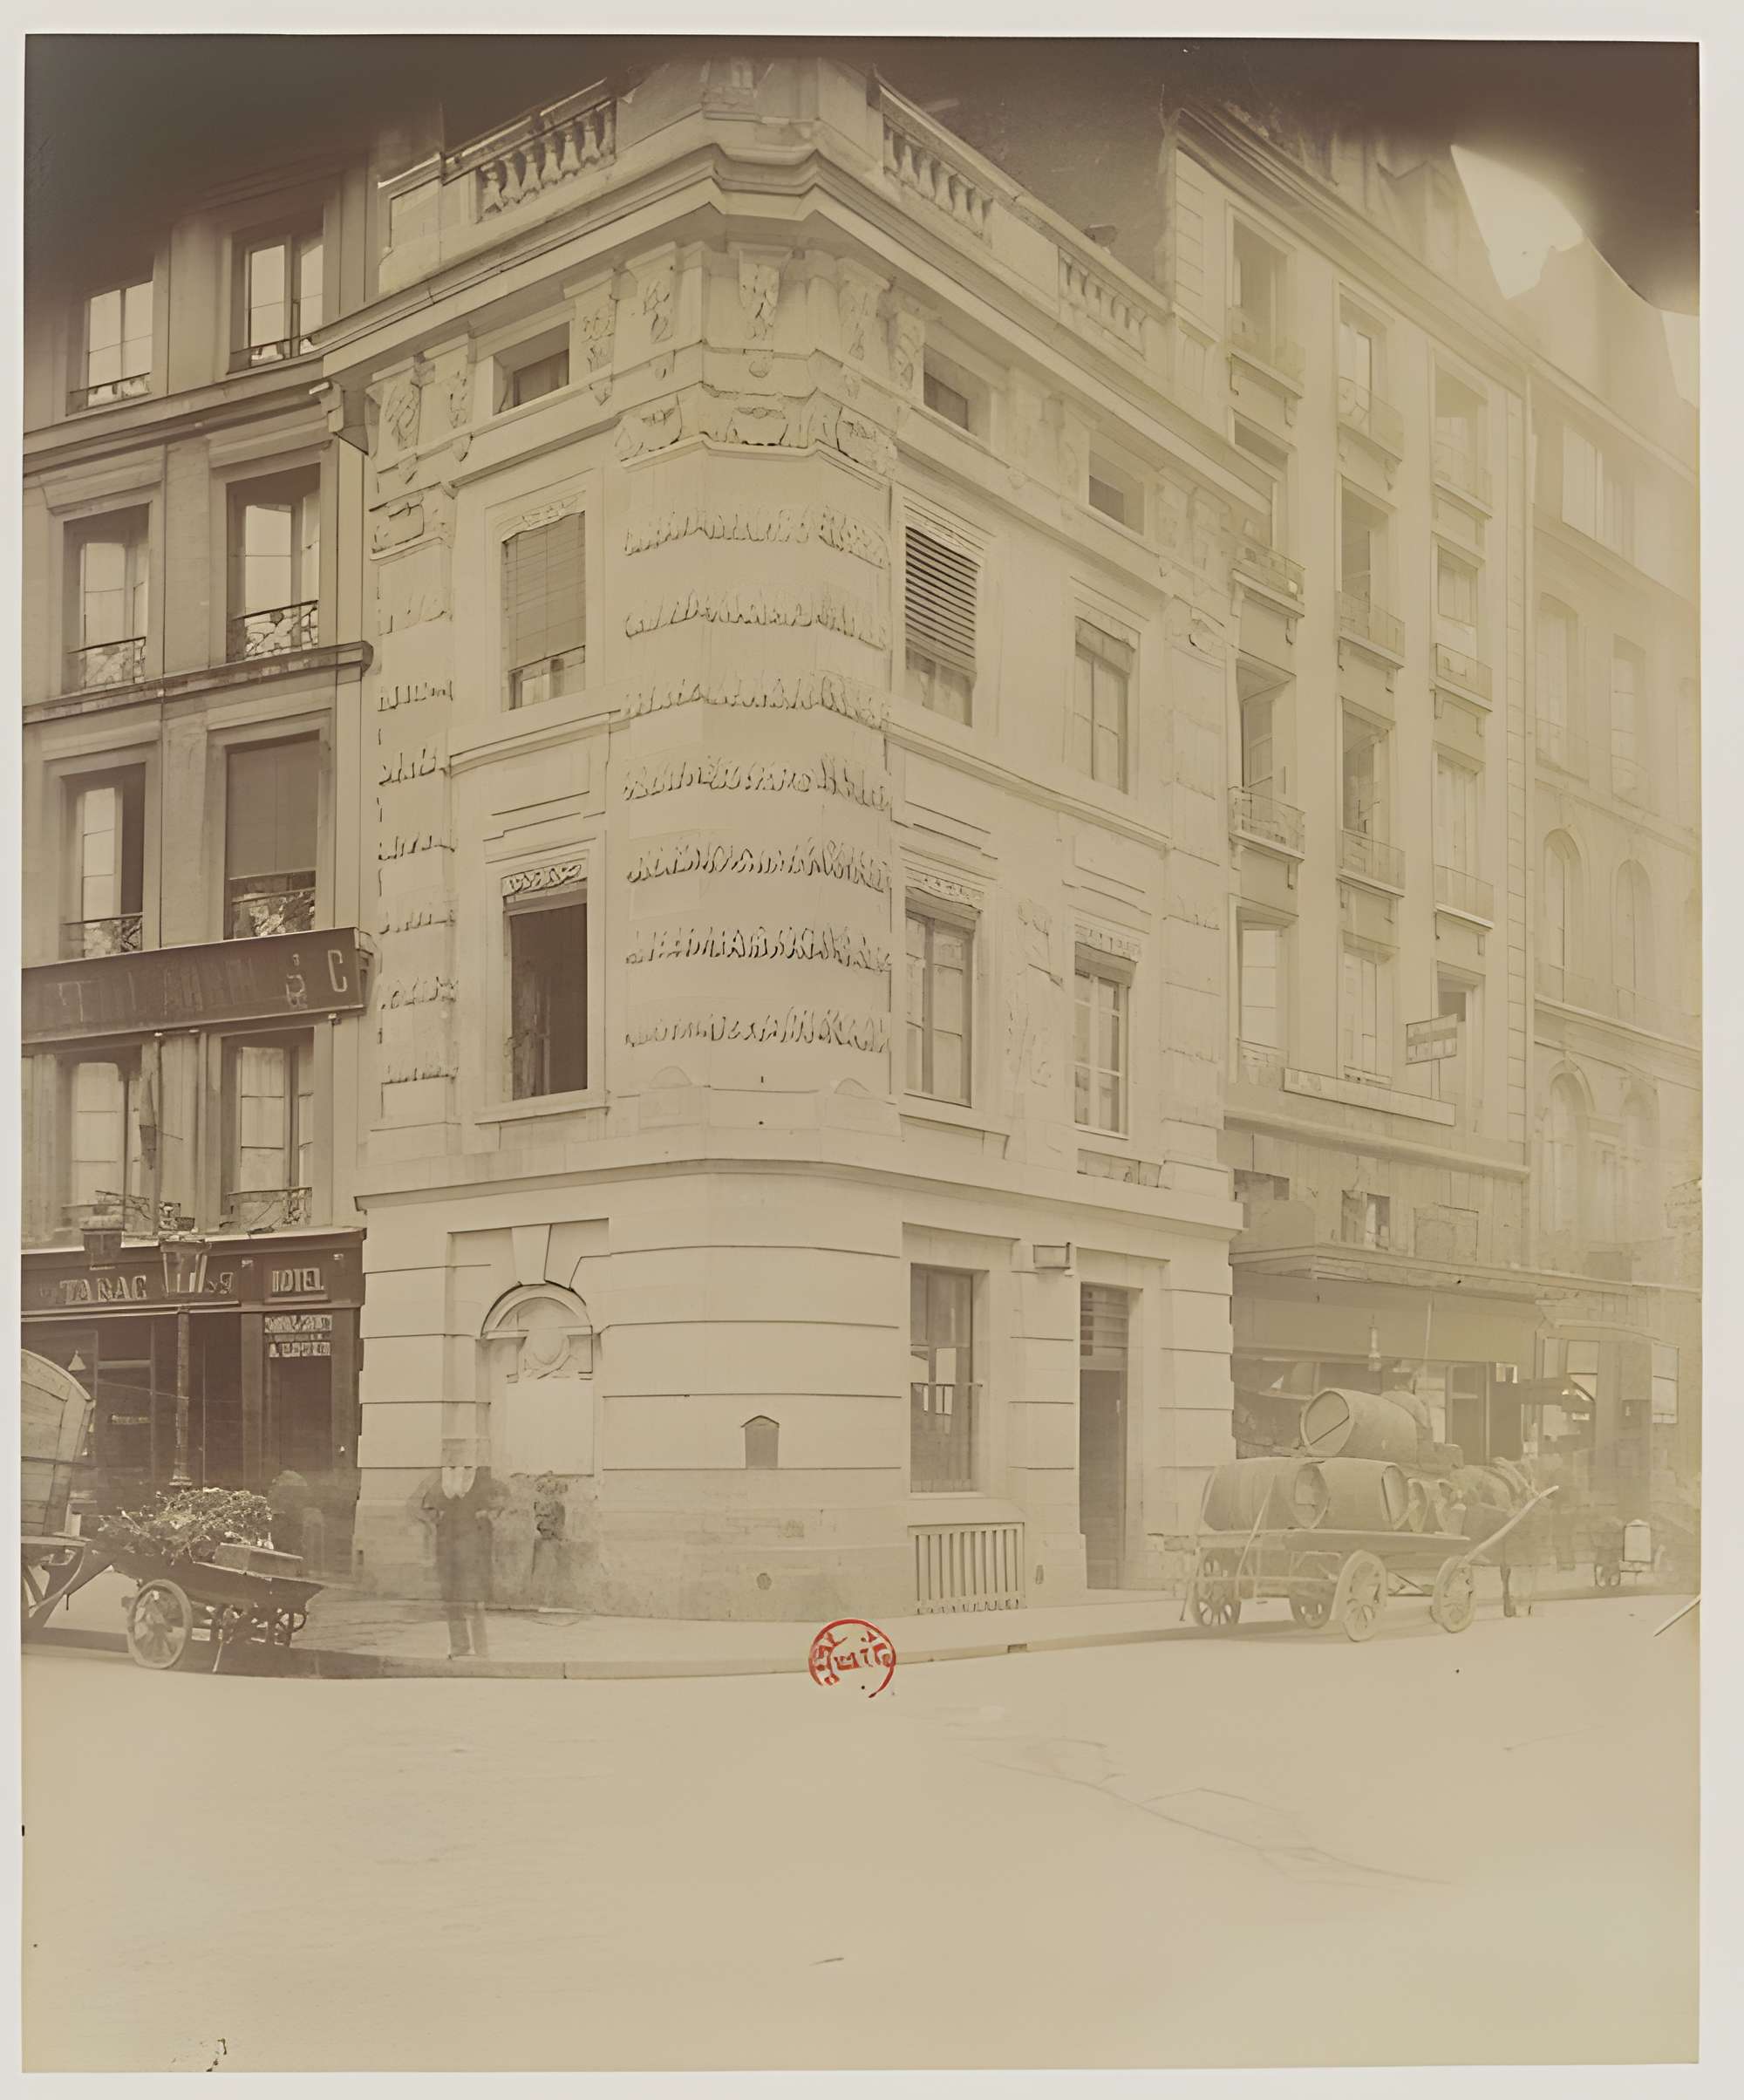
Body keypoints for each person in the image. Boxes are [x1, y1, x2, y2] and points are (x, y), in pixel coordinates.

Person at [420, 1456, 500, 1659]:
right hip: (448, 1550)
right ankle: (459, 1645)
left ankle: (482, 1648)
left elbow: (497, 1505)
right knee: (451, 1599)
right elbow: (425, 1506)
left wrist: (486, 1518)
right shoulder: (441, 1481)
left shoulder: (480, 1480)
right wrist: (435, 1520)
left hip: (473, 1550)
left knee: (475, 1600)